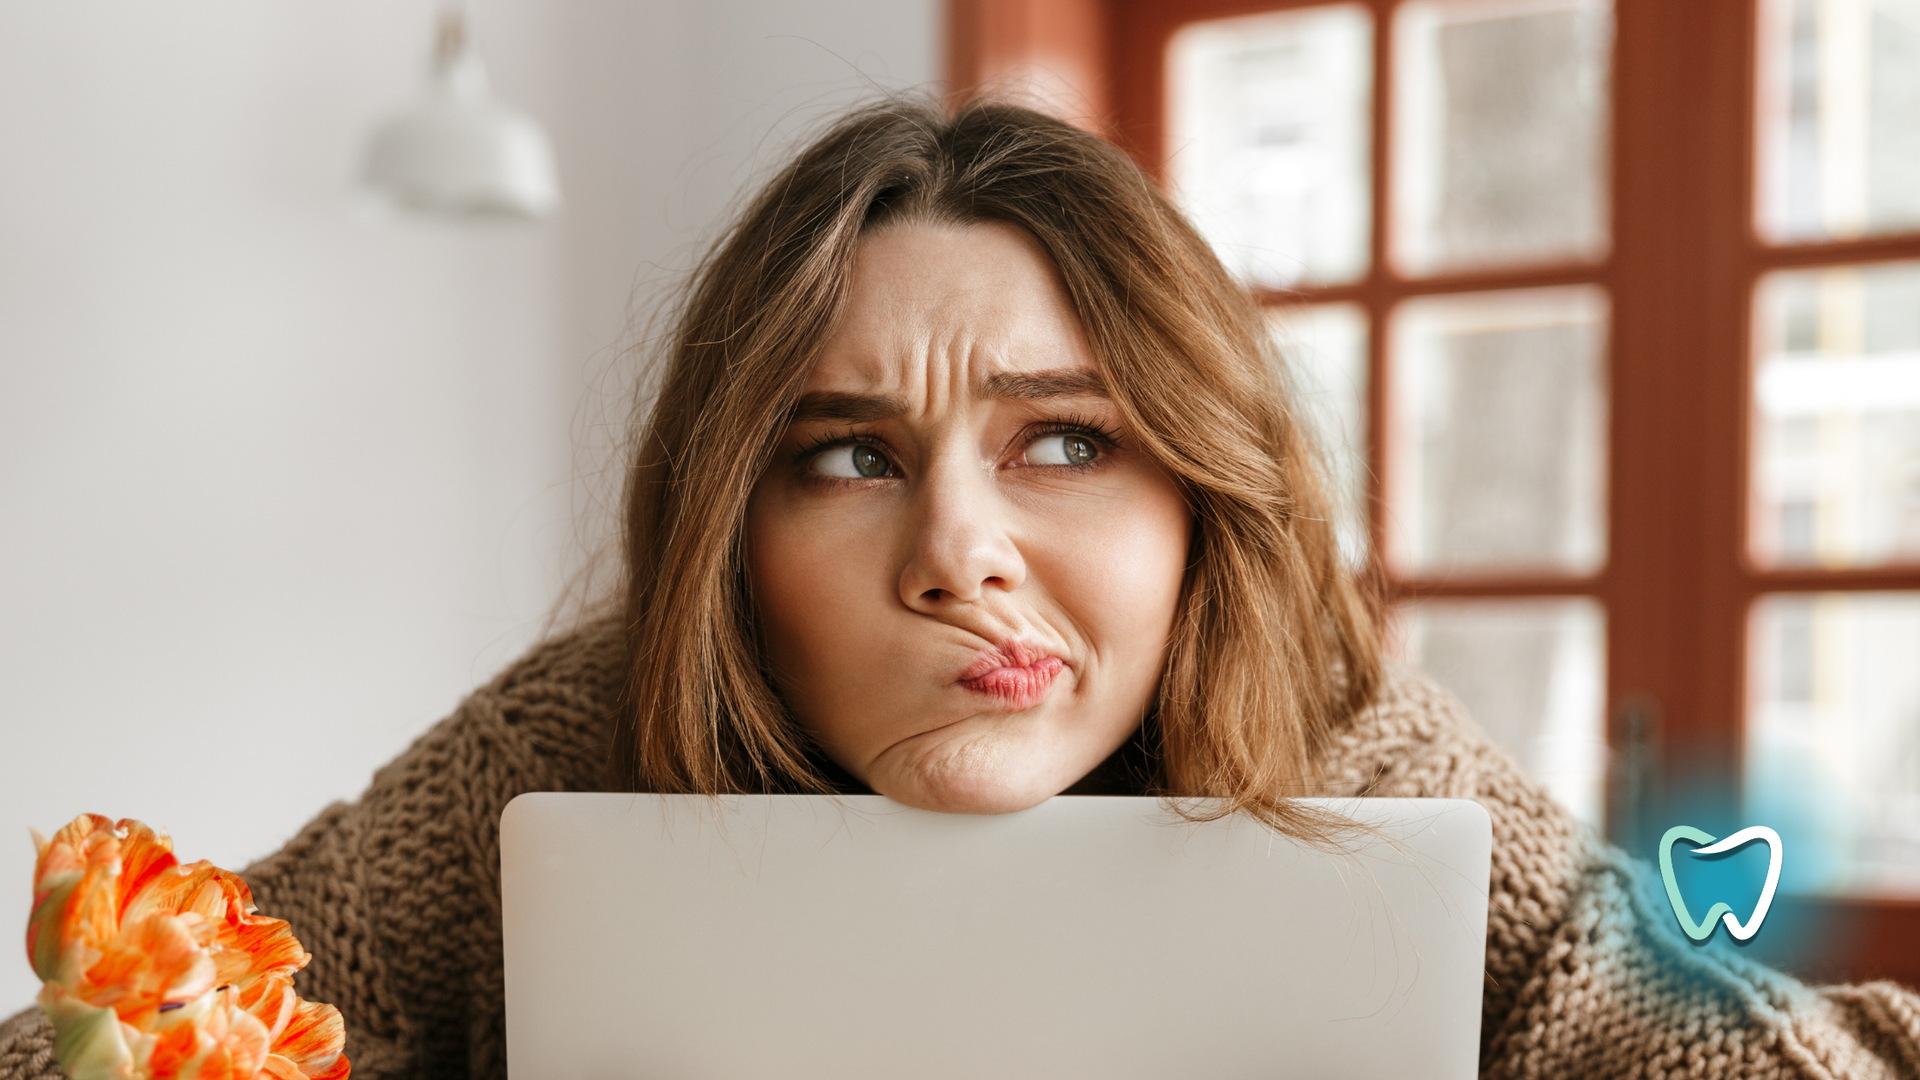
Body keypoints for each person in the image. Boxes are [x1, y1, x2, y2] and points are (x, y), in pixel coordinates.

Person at [5, 99, 1917, 1080]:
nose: (957, 554)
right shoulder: (570, 742)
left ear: (1199, 503)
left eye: (1067, 440)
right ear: (731, 538)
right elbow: (126, 1032)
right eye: (847, 455)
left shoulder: (1340, 744)